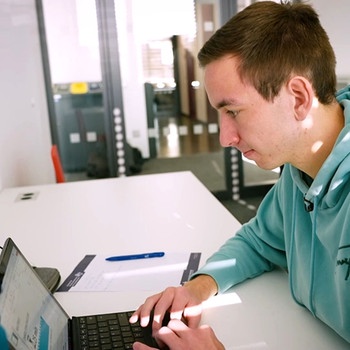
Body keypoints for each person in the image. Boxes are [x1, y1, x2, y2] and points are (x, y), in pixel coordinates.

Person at [131, 1, 350, 348]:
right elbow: (259, 242)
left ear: (297, 98)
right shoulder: (300, 170)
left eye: (233, 110)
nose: (224, 137)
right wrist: (197, 288)